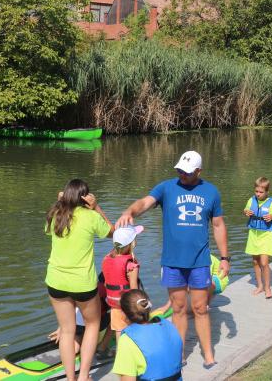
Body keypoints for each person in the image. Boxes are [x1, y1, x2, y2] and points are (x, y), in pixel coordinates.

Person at [116, 151, 229, 368]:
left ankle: (208, 355)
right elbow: (144, 203)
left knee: (200, 308)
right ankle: (180, 355)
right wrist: (129, 211)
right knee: (178, 309)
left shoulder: (211, 192)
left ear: (198, 171)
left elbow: (218, 225)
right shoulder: (166, 187)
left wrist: (224, 257)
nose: (181, 174)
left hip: (199, 261)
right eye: (179, 170)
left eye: (186, 172)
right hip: (172, 261)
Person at [45, 179, 114, 381]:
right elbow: (115, 234)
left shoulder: (55, 214)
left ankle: (70, 378)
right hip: (82, 283)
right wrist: (97, 207)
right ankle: (84, 376)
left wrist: (59, 203)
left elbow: (51, 225)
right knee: (93, 324)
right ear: (86, 198)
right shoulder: (91, 216)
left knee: (67, 331)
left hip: (56, 281)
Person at [111, 289, 183, 381]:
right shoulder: (169, 325)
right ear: (148, 307)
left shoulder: (128, 340)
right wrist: (169, 303)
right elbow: (158, 313)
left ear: (124, 315)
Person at [102, 225, 142, 344]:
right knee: (131, 329)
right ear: (131, 243)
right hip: (127, 304)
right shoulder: (131, 265)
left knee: (119, 329)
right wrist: (139, 307)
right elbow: (134, 289)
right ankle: (127, 354)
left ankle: (118, 352)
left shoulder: (107, 258)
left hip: (114, 303)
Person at [244, 177, 272, 299]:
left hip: (266, 235)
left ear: (267, 192)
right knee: (255, 261)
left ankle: (267, 288)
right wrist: (246, 212)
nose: (258, 194)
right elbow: (245, 209)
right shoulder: (251, 200)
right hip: (253, 234)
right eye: (256, 191)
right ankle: (260, 285)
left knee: (264, 262)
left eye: (261, 192)